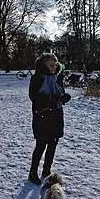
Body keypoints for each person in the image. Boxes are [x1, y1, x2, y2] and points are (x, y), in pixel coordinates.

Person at [27, 54, 73, 184]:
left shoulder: (57, 78)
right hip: (42, 116)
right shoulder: (37, 78)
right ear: (43, 65)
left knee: (53, 144)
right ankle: (33, 172)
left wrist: (65, 97)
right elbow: (34, 97)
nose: (54, 67)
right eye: (51, 65)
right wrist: (52, 100)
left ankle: (46, 170)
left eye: (55, 64)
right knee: (41, 145)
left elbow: (60, 94)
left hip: (56, 116)